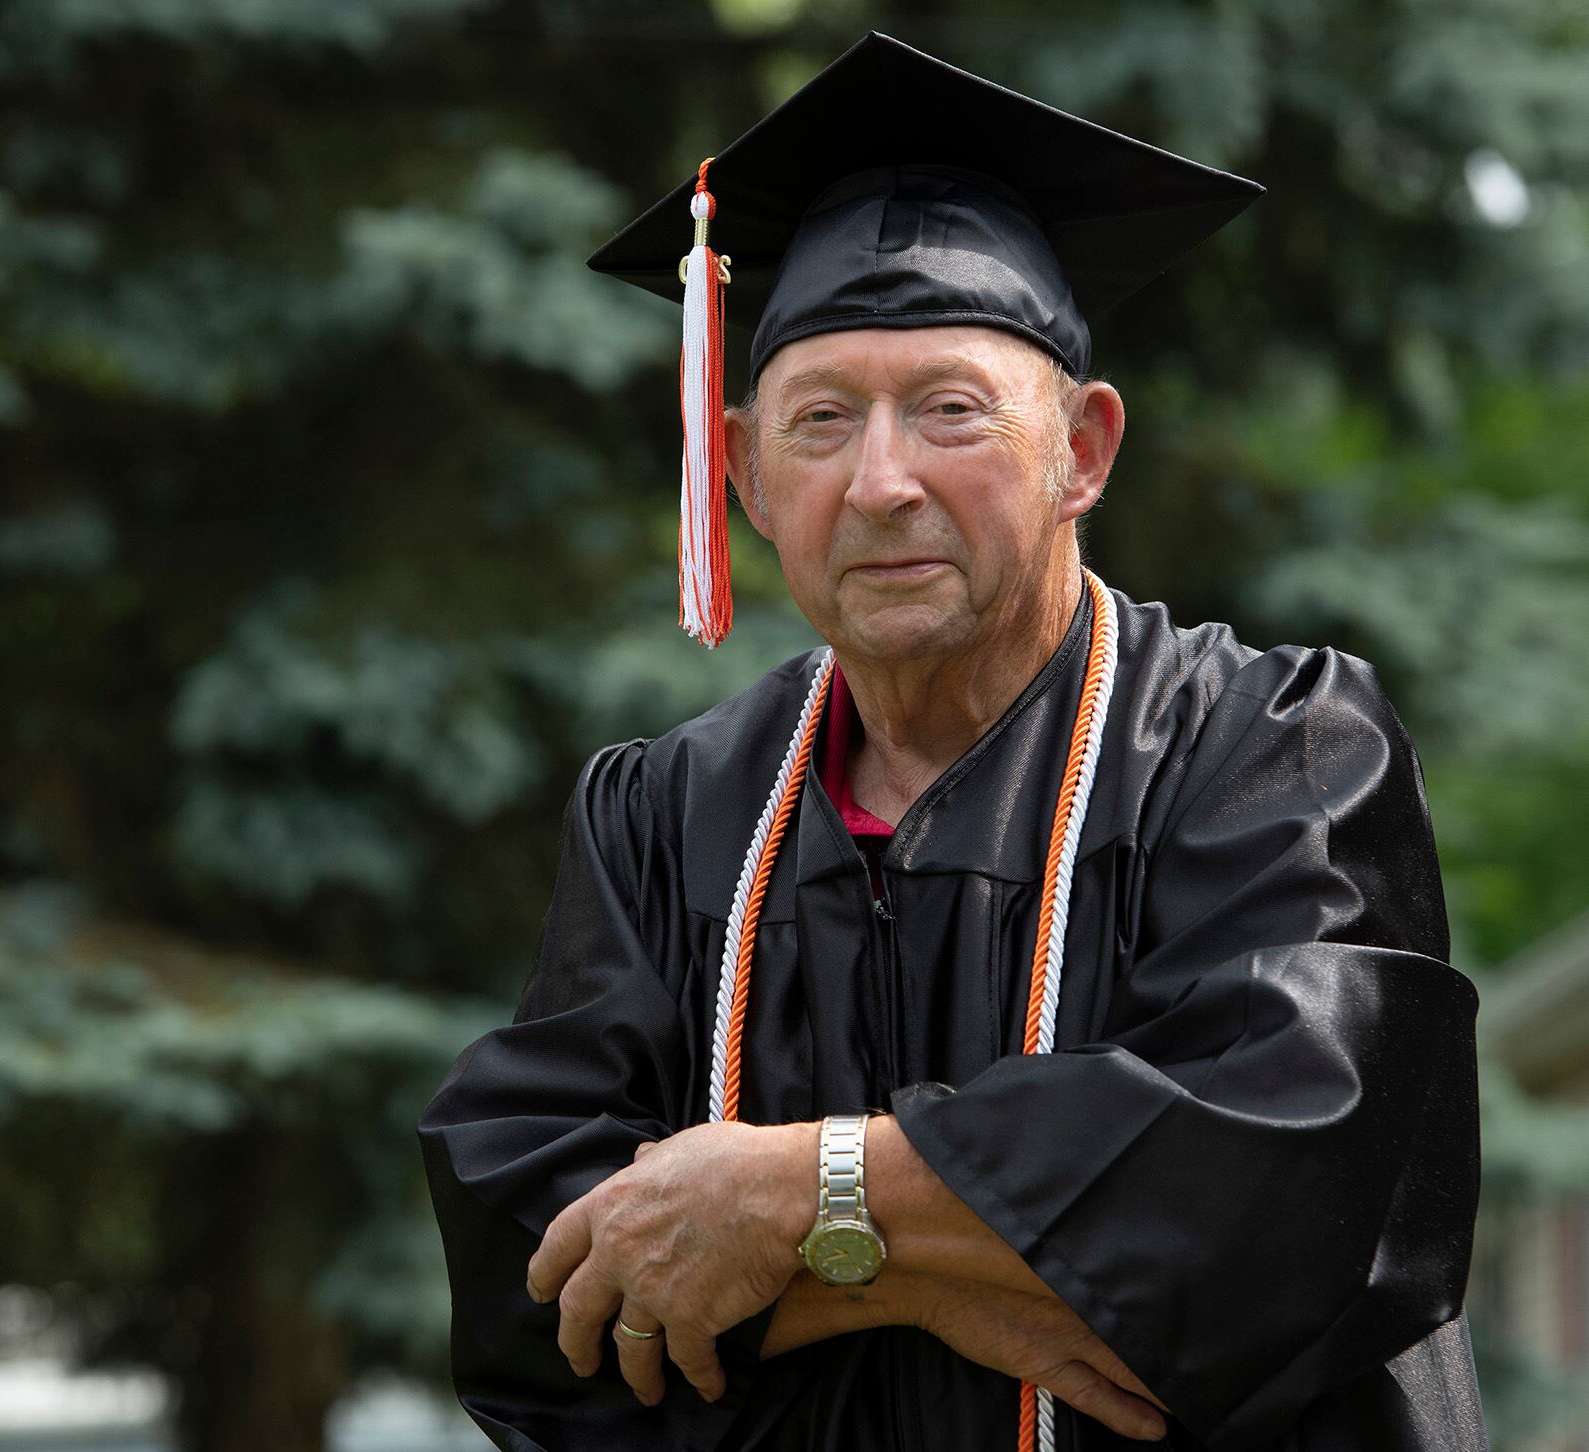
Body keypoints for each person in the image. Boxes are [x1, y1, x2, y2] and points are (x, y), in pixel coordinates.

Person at [418, 32, 1486, 1452]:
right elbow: (520, 1272)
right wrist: (911, 1281)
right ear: (740, 473)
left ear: (1084, 452)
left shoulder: (1270, 753)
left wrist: (791, 1199)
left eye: (950, 411)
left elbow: (1297, 1192)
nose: (880, 481)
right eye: (821, 420)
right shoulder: (666, 817)